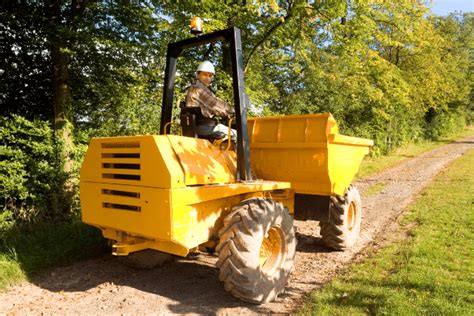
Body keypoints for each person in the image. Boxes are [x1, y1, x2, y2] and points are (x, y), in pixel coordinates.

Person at [184, 61, 236, 140]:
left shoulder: (202, 89)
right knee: (238, 134)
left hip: (201, 125)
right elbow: (215, 104)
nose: (208, 78)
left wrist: (225, 114)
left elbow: (215, 109)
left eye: (210, 75)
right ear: (198, 75)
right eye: (205, 74)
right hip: (203, 127)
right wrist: (234, 110)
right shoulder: (198, 89)